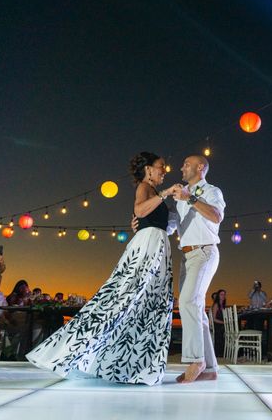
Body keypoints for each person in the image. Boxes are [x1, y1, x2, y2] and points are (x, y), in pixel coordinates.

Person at [26, 152, 179, 385]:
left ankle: (131, 366)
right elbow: (139, 211)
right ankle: (67, 352)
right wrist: (165, 195)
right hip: (147, 248)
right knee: (122, 297)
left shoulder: (156, 194)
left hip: (159, 247)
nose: (164, 171)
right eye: (161, 167)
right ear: (148, 169)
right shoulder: (144, 187)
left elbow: (160, 223)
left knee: (149, 305)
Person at [172, 155, 226, 383]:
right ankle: (210, 368)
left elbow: (217, 216)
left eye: (186, 164)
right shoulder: (180, 194)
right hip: (186, 256)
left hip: (204, 252)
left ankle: (196, 360)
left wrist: (190, 198)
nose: (181, 167)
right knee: (196, 308)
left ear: (200, 167)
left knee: (188, 302)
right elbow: (175, 223)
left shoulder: (212, 191)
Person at [211, 289, 227, 357]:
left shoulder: (222, 305)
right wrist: (224, 323)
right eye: (221, 294)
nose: (223, 296)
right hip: (217, 325)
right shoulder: (216, 305)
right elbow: (214, 319)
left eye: (224, 294)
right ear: (218, 296)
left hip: (221, 324)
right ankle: (219, 352)